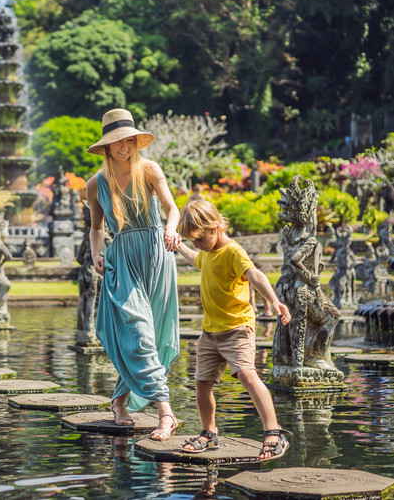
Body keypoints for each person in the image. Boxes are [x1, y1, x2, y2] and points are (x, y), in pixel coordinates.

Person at [85, 108, 181, 440]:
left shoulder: (150, 169)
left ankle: (118, 402)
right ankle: (166, 413)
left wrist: (171, 230)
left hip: (157, 256)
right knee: (138, 332)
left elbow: (173, 209)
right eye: (117, 142)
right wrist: (96, 253)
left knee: (148, 338)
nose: (124, 147)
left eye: (128, 140)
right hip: (122, 260)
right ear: (107, 147)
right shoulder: (95, 184)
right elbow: (96, 228)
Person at [175, 200, 293, 460]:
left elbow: (255, 274)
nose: (196, 243)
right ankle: (209, 433)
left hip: (237, 328)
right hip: (210, 332)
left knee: (247, 375)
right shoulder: (206, 252)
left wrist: (274, 301)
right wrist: (179, 245)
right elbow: (197, 260)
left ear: (215, 227)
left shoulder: (233, 251)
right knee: (202, 382)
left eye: (198, 238)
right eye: (191, 240)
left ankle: (274, 433)